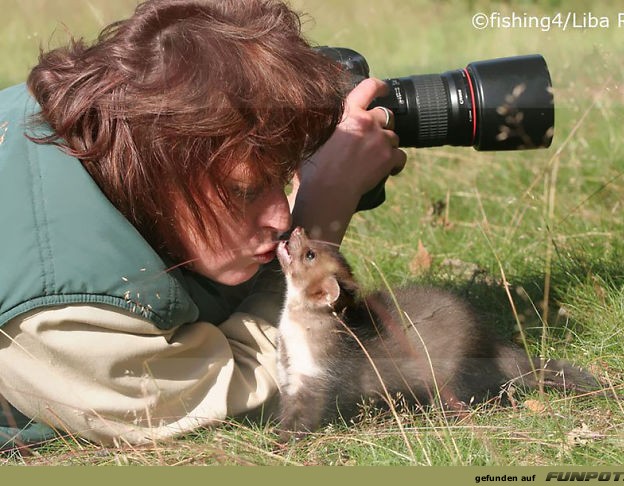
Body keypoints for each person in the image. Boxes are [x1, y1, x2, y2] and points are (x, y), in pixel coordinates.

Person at [0, 0, 406, 449]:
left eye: (281, 178)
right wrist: (324, 211)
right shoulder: (61, 312)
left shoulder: (75, 115)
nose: (281, 216)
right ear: (156, 172)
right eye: (245, 191)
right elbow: (236, 391)